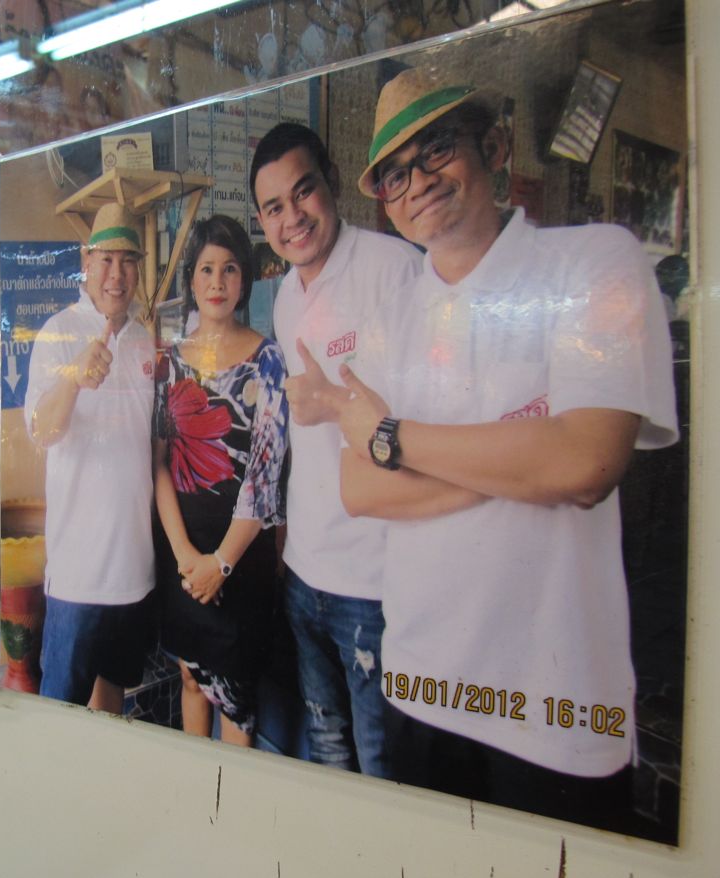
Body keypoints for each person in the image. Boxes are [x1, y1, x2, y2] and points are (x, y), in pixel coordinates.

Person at [325, 67, 677, 829]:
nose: (416, 180)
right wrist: (521, 462)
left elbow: (585, 464)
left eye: (436, 149)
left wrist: (394, 440)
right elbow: (360, 490)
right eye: (392, 173)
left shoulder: (593, 263)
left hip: (555, 712)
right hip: (420, 687)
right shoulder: (393, 317)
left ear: (495, 147)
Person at [251, 122, 421, 775]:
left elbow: (428, 422)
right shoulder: (286, 298)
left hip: (374, 583)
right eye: (274, 208)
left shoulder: (395, 271)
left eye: (304, 193)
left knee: (384, 763)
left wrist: (344, 409)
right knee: (326, 747)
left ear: (332, 182)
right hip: (304, 571)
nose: (293, 218)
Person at [153, 215, 289, 746]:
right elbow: (158, 463)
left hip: (242, 555)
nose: (217, 282)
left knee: (235, 696)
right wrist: (186, 554)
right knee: (190, 678)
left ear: (245, 281)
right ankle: (194, 805)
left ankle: (231, 813)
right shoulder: (170, 362)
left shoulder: (268, 361)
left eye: (229, 269)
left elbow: (265, 472)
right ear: (191, 280)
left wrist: (221, 564)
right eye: (206, 269)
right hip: (184, 551)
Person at [24, 202, 157, 713]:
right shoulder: (58, 332)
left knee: (112, 705)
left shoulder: (147, 342)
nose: (117, 275)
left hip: (133, 570)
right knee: (58, 718)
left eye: (128, 261)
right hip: (77, 576)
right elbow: (42, 431)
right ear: (86, 260)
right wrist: (73, 378)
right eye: (106, 260)